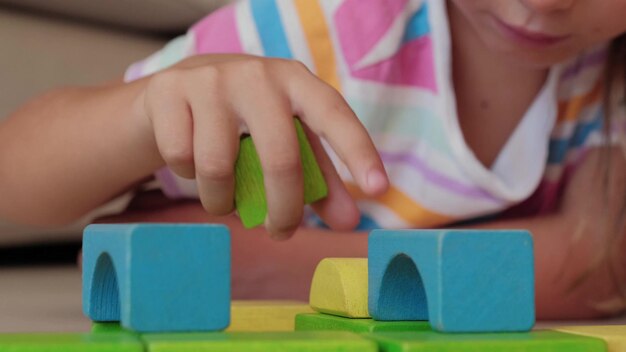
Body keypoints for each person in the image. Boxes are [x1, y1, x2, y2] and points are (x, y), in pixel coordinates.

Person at [0, 0, 624, 320]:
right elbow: (16, 181)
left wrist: (289, 267)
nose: (543, 4)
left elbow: (595, 264)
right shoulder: (322, 30)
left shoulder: (609, 72)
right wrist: (145, 113)